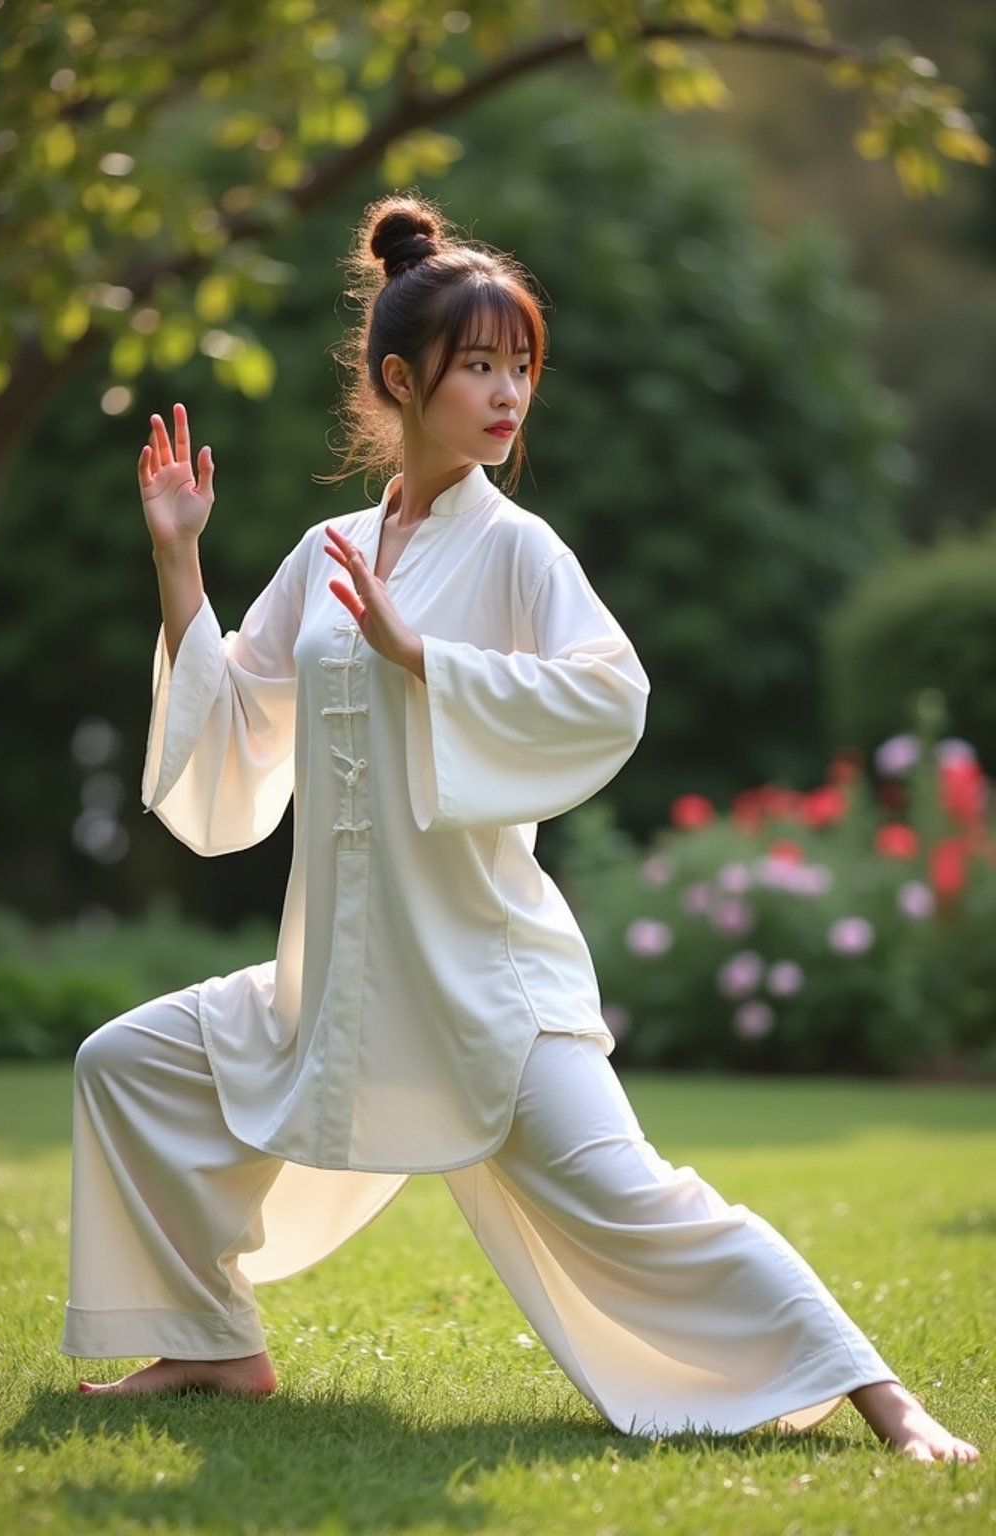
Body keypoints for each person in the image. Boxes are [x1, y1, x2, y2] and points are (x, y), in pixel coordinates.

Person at [63, 194, 978, 1465]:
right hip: (335, 981)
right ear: (400, 379)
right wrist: (178, 567)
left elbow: (612, 694)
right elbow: (230, 732)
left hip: (486, 988)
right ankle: (217, 1340)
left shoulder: (520, 552)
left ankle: (885, 1401)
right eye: (477, 366)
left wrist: (422, 656)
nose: (506, 395)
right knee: (124, 1064)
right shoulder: (327, 547)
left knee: (634, 1199)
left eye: (519, 366)